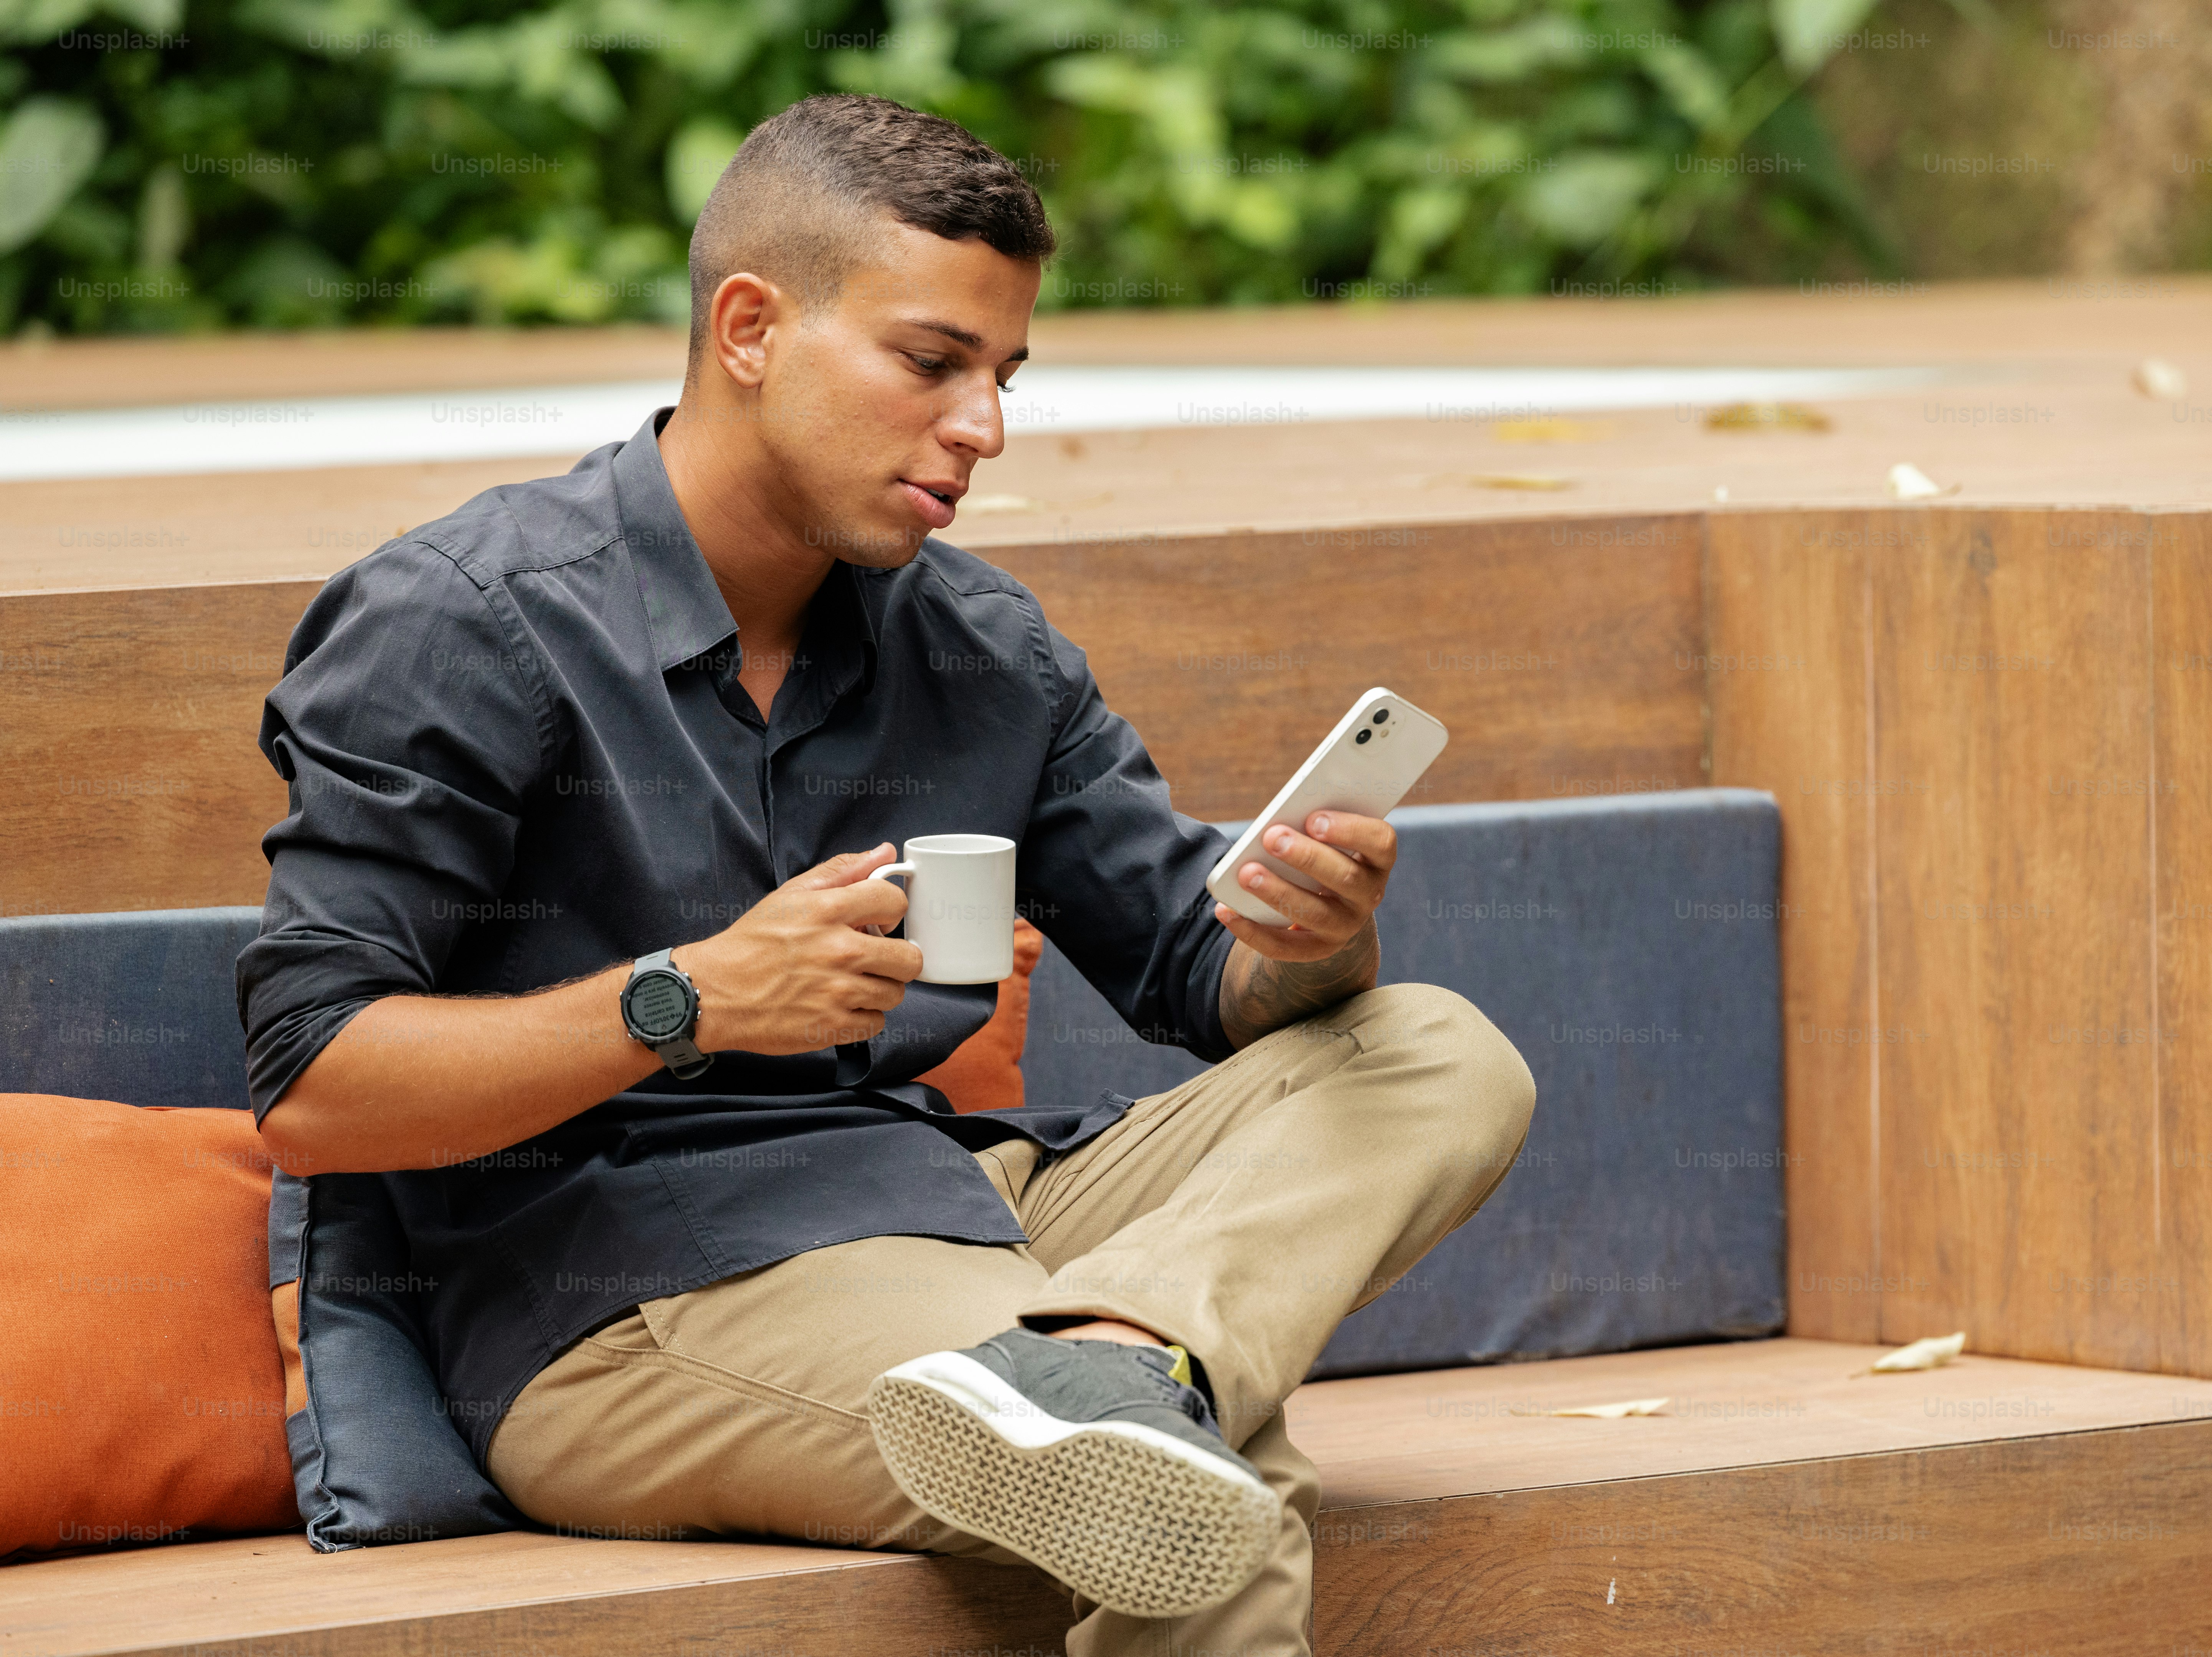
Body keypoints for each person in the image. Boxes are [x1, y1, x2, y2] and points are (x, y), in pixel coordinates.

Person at [242, 92, 1535, 1654]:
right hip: (623, 1299)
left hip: (951, 1219)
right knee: (1204, 1500)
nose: (982, 426)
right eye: (931, 364)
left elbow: (1206, 983)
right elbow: (318, 1084)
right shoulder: (465, 623)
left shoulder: (982, 650)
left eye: (1002, 376)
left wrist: (1311, 939)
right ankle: (1104, 1391)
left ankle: (1117, 1348)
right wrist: (692, 999)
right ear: (747, 329)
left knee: (1431, 1047)